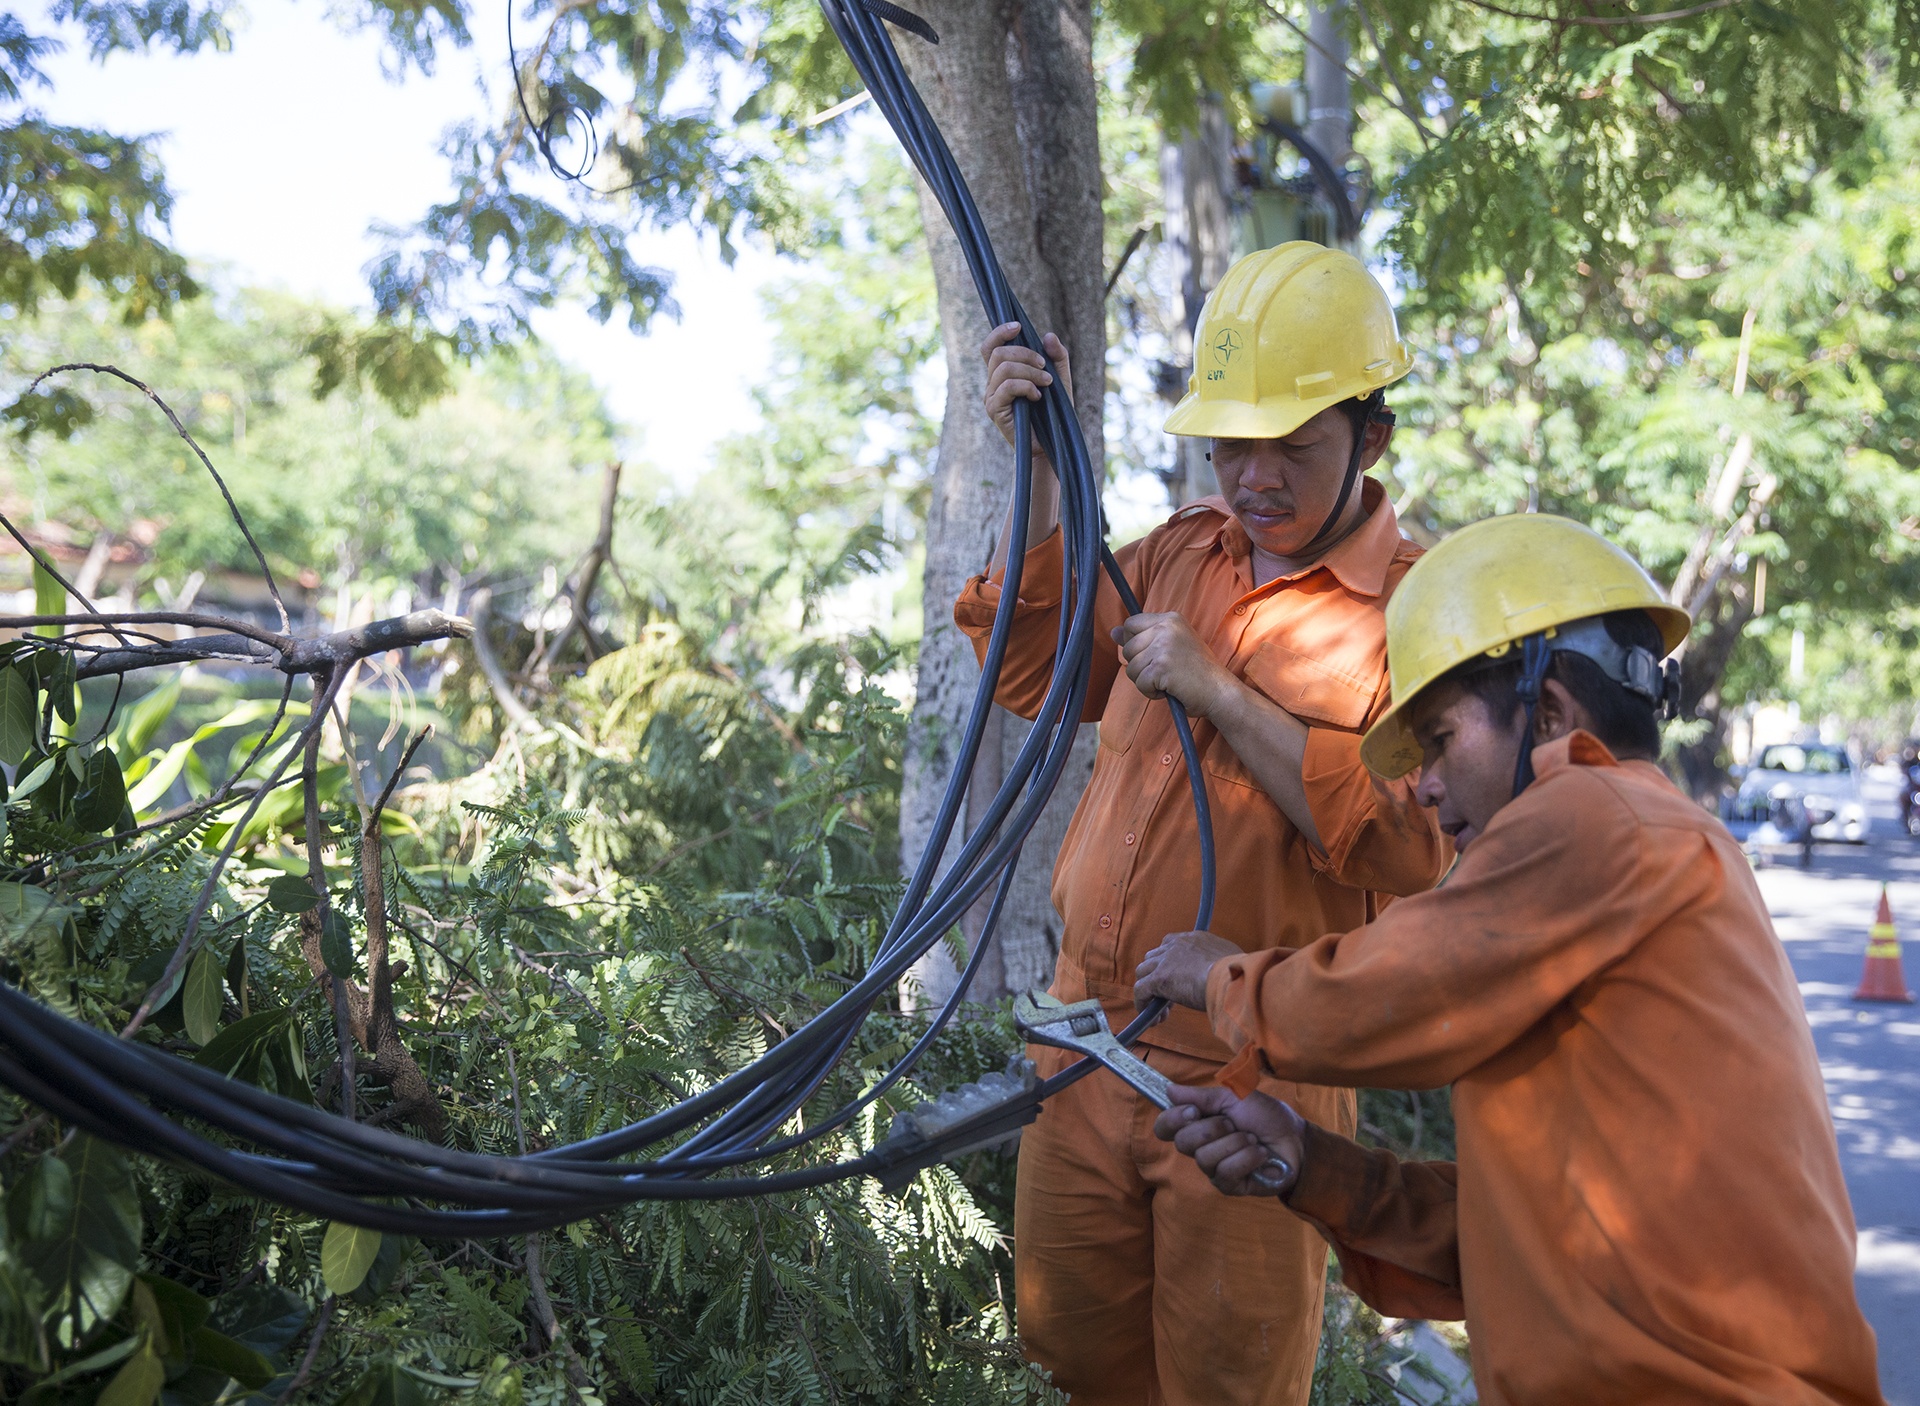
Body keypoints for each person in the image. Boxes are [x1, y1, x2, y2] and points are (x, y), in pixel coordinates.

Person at [1133, 514, 1886, 1405]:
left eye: (1440, 741)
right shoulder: (1634, 860)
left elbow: (1374, 998)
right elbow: (1514, 1236)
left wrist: (1224, 979)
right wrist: (1309, 1163)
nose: (1421, 786)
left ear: (1553, 712)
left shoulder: (1596, 814)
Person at [954, 243, 1451, 1405]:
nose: (1254, 473)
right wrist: (1030, 460)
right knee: (1067, 1372)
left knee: (1225, 1390)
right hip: (1080, 1046)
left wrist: (1222, 690)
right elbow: (1027, 665)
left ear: (1371, 438)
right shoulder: (1181, 552)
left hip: (1253, 1075)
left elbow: (1404, 847)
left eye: (1293, 444)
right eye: (1232, 440)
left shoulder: (1418, 614)